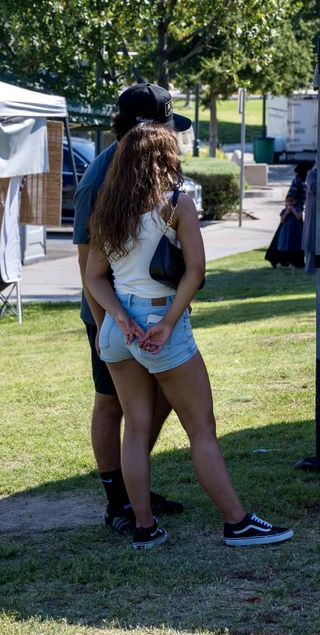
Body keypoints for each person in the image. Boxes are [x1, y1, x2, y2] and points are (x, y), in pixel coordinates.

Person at [86, 121, 294, 551]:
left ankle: (144, 528)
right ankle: (237, 523)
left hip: (117, 329)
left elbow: (94, 279)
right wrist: (164, 324)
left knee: (137, 430)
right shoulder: (176, 205)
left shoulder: (104, 210)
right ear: (164, 158)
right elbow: (195, 273)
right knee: (201, 428)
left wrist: (122, 321)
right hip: (162, 322)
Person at [73, 83, 190, 536]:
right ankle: (117, 500)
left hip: (154, 312)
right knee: (112, 404)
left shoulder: (150, 163)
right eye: (166, 124)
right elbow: (88, 268)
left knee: (157, 400)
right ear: (147, 126)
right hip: (112, 315)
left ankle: (133, 483)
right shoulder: (99, 178)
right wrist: (110, 329)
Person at [303, 164, 317, 274]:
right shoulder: (312, 174)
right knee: (312, 237)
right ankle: (310, 267)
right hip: (314, 211)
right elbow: (313, 188)